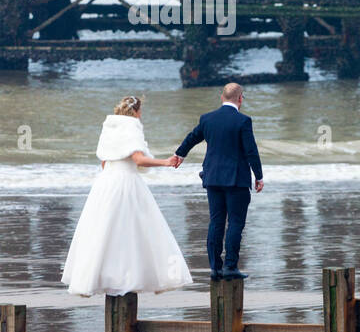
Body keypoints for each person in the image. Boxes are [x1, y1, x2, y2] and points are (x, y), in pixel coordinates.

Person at [60, 95, 193, 296]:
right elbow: (138, 159)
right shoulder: (132, 127)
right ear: (137, 112)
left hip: (105, 183)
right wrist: (165, 162)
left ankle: (99, 278)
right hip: (125, 183)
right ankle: (126, 278)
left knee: (103, 231)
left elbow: (104, 162)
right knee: (130, 231)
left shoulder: (110, 127)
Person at [173, 82, 265, 280]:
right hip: (236, 181)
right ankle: (230, 267)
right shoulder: (243, 121)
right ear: (240, 99)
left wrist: (180, 154)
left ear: (221, 97)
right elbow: (251, 151)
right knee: (235, 223)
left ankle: (215, 268)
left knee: (216, 222)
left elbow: (192, 137)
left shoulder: (207, 119)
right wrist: (259, 176)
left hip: (213, 179)